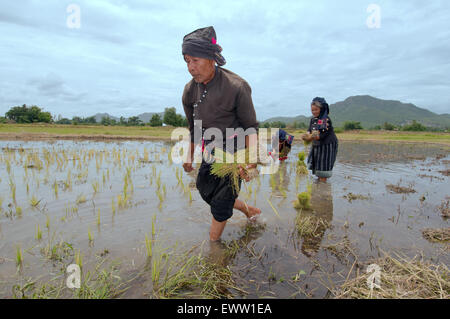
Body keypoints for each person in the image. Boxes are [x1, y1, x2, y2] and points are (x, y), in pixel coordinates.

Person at [181, 26, 261, 242]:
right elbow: (194, 129)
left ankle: (213, 250)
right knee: (205, 189)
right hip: (211, 152)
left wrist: (251, 161)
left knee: (221, 203)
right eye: (187, 61)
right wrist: (189, 155)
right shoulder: (189, 91)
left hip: (234, 156)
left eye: (195, 60)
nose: (190, 67)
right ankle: (249, 210)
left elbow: (251, 128)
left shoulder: (237, 86)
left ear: (211, 58)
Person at [301, 97, 338, 182]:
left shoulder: (325, 120)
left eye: (316, 110)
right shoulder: (313, 119)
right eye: (312, 110)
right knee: (317, 164)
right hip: (317, 144)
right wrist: (306, 135)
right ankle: (319, 183)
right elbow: (309, 130)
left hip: (327, 145)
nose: (314, 112)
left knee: (323, 166)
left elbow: (320, 136)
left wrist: (310, 137)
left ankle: (323, 184)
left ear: (321, 109)